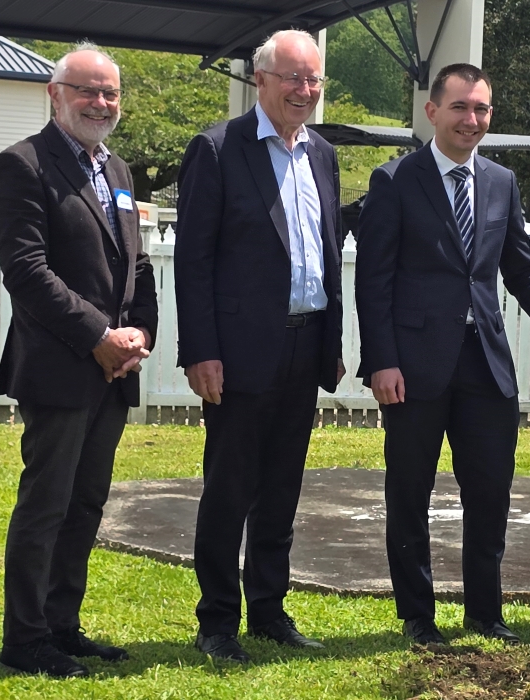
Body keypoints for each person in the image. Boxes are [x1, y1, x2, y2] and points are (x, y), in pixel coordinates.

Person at [356, 63, 530, 646]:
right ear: (432, 111)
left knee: (489, 491)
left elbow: (521, 268)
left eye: (481, 108)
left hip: (485, 362)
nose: (471, 119)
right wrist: (381, 360)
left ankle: (485, 612)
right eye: (460, 107)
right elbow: (373, 280)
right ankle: (418, 616)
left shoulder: (500, 181)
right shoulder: (395, 180)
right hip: (413, 365)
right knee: (409, 492)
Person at [174, 29, 344, 663]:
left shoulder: (322, 154)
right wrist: (201, 350)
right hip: (240, 352)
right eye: (293, 77)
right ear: (260, 79)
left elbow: (326, 256)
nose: (305, 90)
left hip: (306, 344)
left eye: (313, 79)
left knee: (281, 490)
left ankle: (269, 610)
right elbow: (193, 261)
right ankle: (218, 620)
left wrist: (332, 339)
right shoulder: (218, 149)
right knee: (230, 488)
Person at [0, 46, 157, 678]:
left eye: (110, 93)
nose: (100, 103)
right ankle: (25, 637)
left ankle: (62, 625)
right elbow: (27, 272)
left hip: (113, 371)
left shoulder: (117, 169)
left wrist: (139, 332)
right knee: (47, 505)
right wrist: (97, 336)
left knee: (86, 504)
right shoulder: (22, 164)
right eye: (87, 90)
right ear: (54, 94)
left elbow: (137, 262)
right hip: (58, 367)